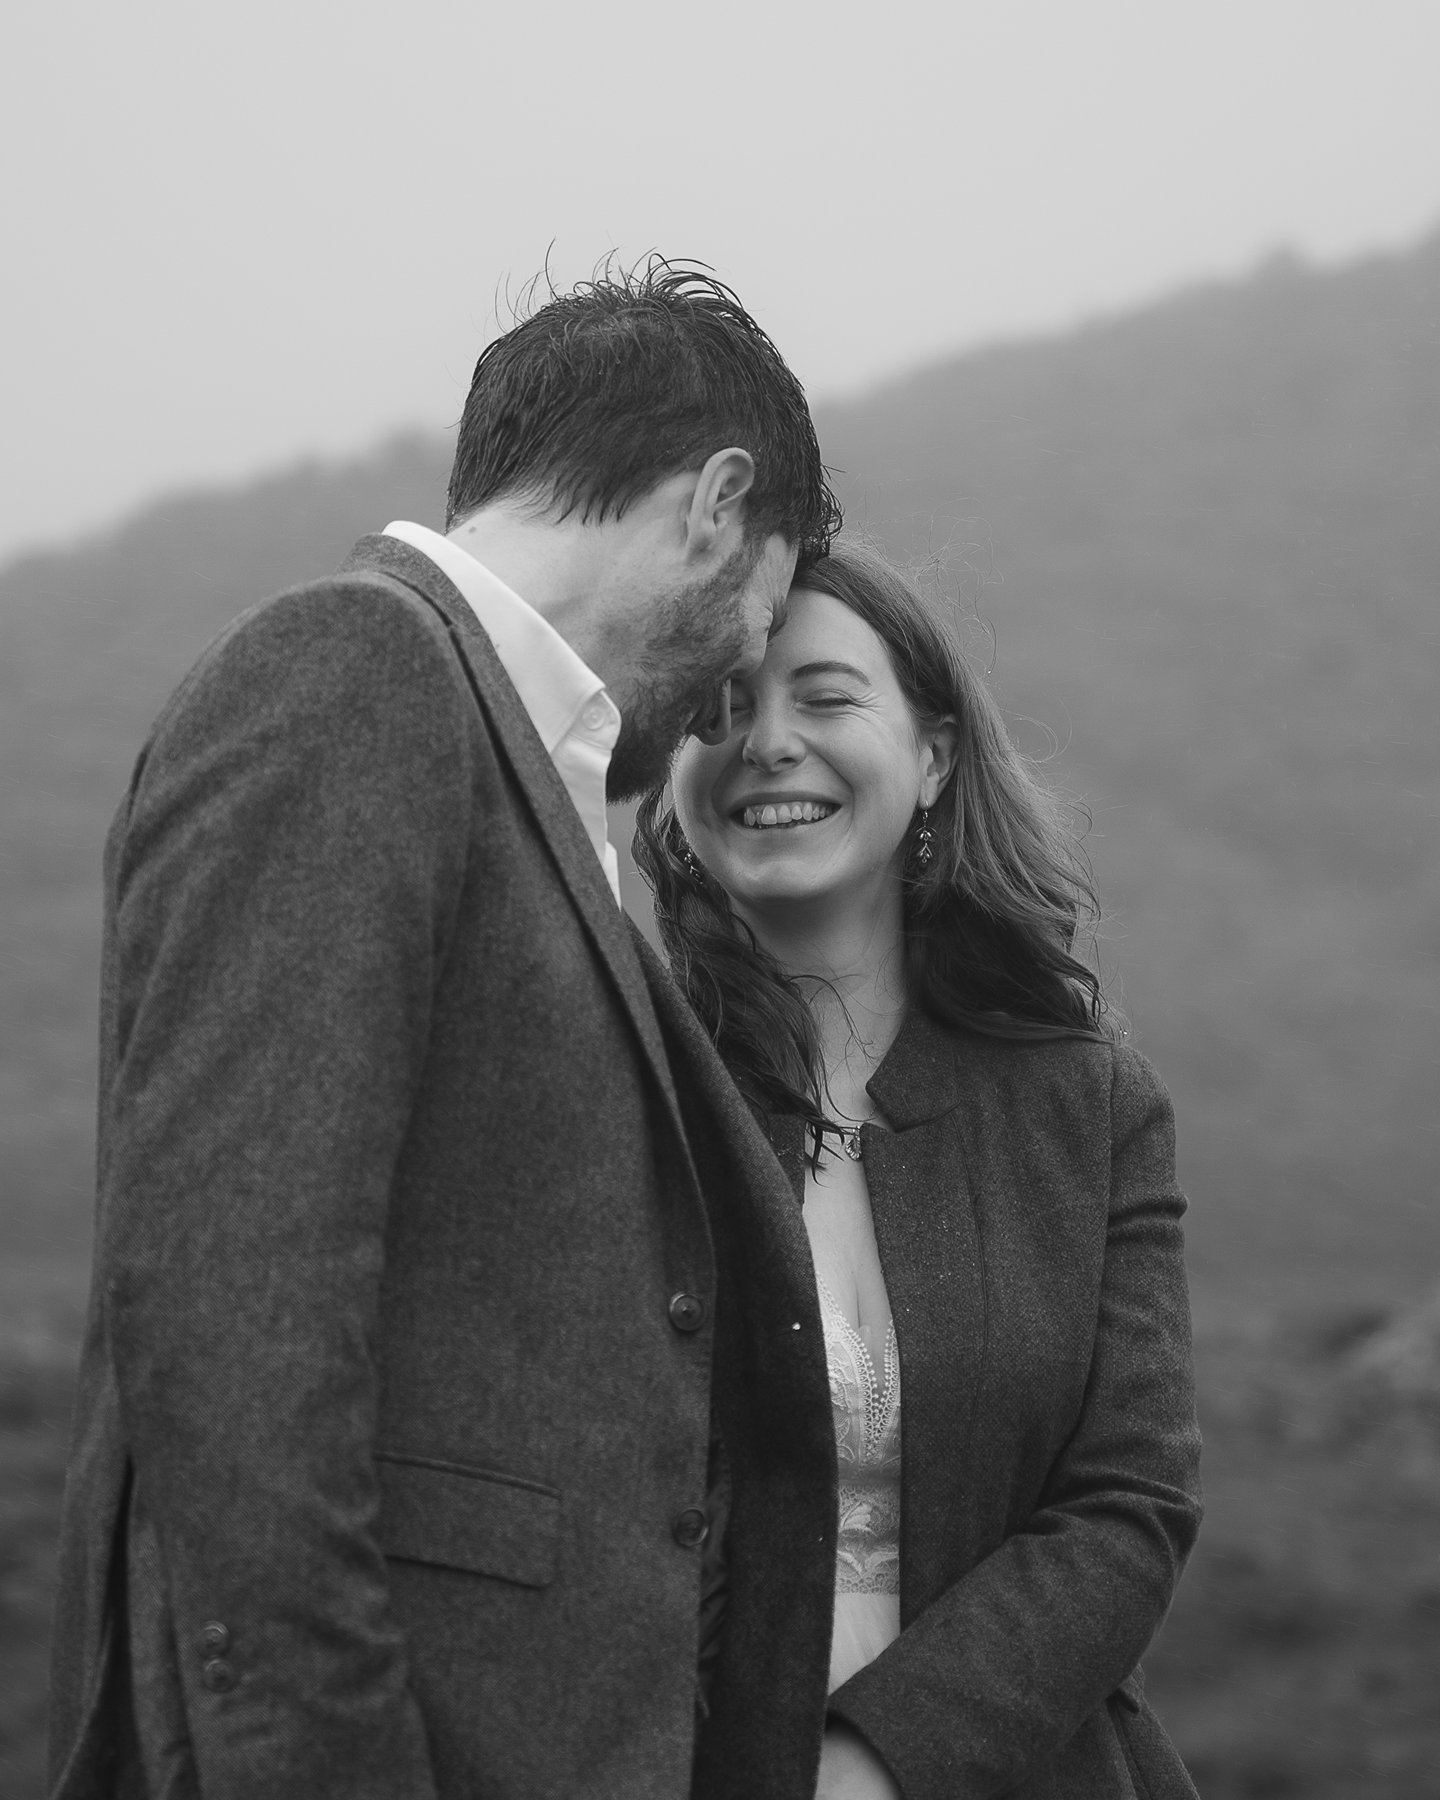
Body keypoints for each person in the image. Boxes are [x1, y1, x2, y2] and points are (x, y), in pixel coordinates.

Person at [47, 265, 848, 1800]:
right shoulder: (354, 675)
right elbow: (233, 1325)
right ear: (714, 501)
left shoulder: (531, 774)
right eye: (765, 592)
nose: (749, 667)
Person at [636, 538, 1205, 1800]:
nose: (767, 742)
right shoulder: (617, 1087)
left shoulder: (1088, 1107)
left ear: (936, 753)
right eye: (717, 708)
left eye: (827, 698)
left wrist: (871, 1762)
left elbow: (1131, 1502)